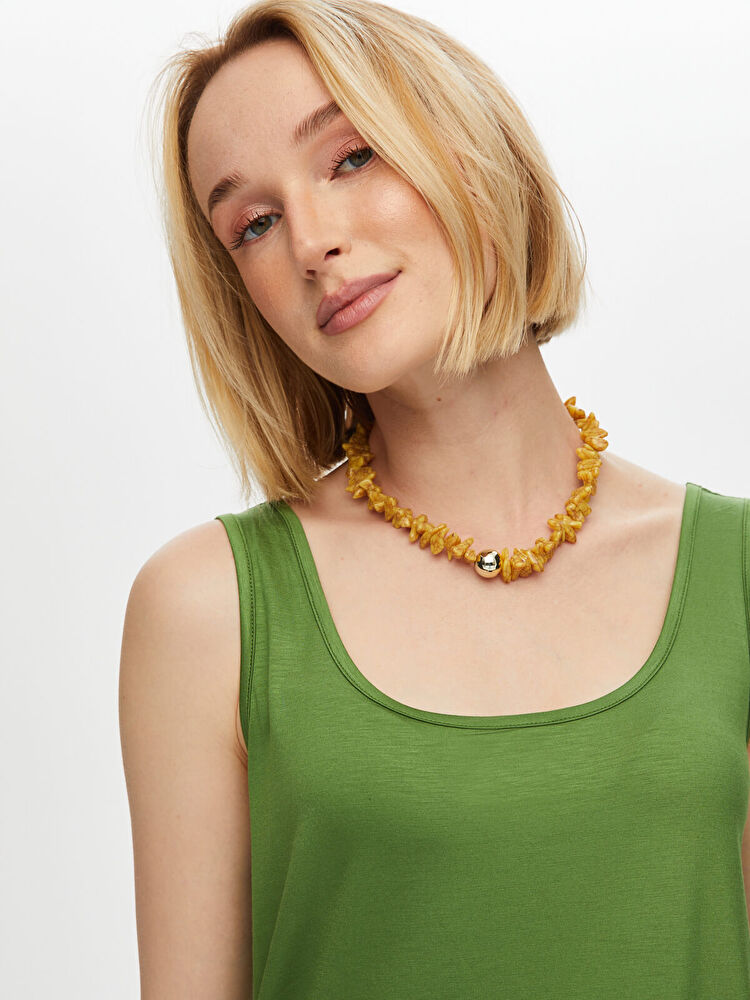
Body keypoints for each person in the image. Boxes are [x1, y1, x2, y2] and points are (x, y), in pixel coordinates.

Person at [118, 1, 750, 996]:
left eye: (351, 156)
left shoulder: (736, 576)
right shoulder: (209, 610)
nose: (310, 242)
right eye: (254, 224)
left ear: (468, 151)